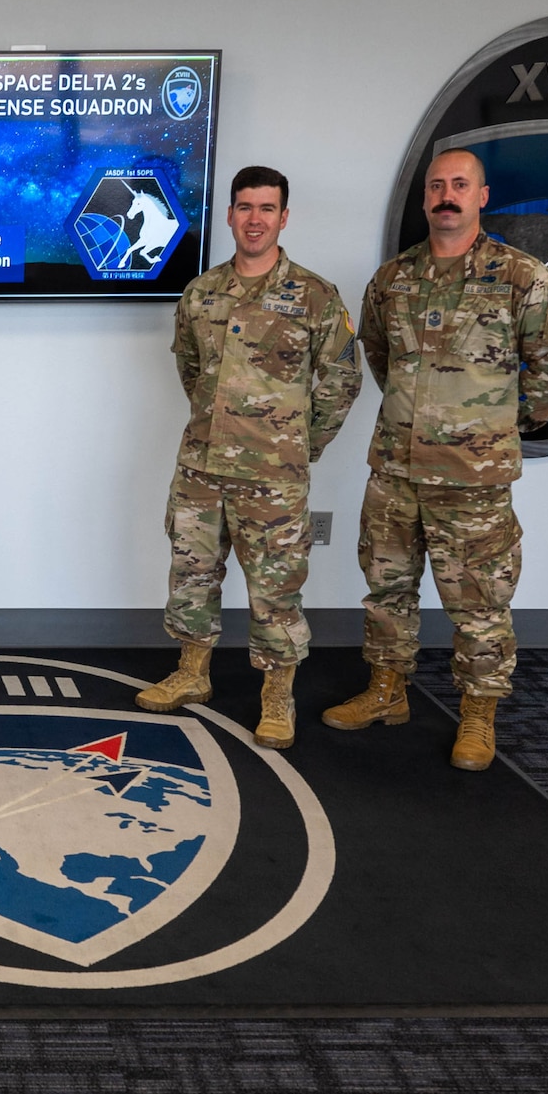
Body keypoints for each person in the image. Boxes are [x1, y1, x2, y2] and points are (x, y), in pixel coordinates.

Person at [326, 148, 548, 769]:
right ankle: (388, 691)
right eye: (437, 185)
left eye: (460, 184)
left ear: (481, 197)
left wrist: (494, 429)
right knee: (386, 589)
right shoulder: (391, 280)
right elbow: (381, 359)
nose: (447, 194)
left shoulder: (523, 278)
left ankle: (478, 714)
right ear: (425, 199)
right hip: (396, 470)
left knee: (479, 602)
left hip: (473, 480)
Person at [136, 167, 362, 747]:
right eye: (245, 207)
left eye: (267, 208)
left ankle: (278, 696)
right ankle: (192, 674)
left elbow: (340, 379)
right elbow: (189, 366)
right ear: (231, 215)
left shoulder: (315, 295)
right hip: (201, 469)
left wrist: (298, 444)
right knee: (192, 574)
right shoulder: (202, 292)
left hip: (273, 477)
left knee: (276, 588)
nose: (255, 219)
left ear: (284, 217)